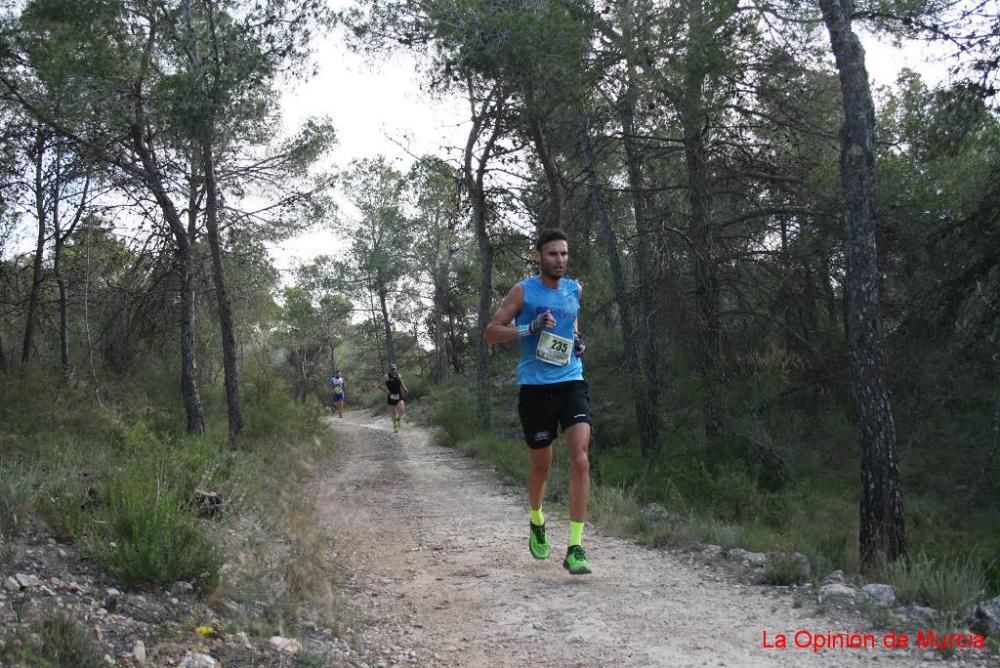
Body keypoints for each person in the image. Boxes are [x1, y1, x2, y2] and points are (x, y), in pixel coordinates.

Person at [484, 228, 592, 575]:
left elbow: (572, 327)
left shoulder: (575, 289)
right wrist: (527, 328)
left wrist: (578, 343)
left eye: (563, 254)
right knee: (541, 466)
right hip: (534, 388)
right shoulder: (523, 291)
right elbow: (490, 332)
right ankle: (536, 518)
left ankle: (575, 546)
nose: (559, 260)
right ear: (538, 256)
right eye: (552, 254)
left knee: (580, 459)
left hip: (571, 380)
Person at [380, 363, 408, 433]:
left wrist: (405, 388)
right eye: (391, 369)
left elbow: (401, 383)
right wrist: (387, 392)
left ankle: (398, 420)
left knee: (402, 410)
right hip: (391, 396)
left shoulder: (398, 375)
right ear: (389, 370)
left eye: (394, 369)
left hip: (399, 395)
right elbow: (379, 385)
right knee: (393, 413)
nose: (393, 370)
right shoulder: (386, 376)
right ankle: (395, 426)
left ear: (396, 369)